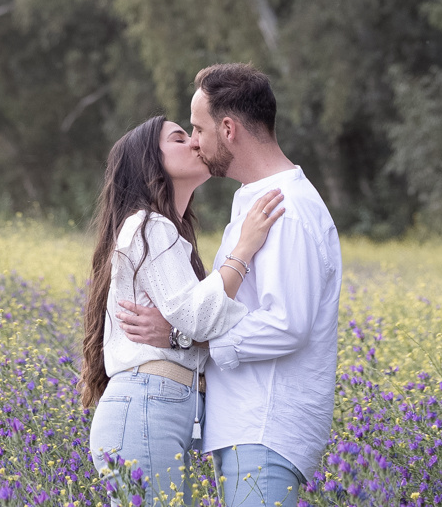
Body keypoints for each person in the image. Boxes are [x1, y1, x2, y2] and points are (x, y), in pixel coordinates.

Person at [117, 63, 343, 507]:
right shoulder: (256, 202)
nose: (195, 141)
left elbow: (287, 324)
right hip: (246, 427)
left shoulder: (286, 209)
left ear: (228, 128)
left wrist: (190, 339)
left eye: (198, 128)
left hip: (266, 427)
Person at [81, 113, 287, 504]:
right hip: (145, 408)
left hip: (152, 409)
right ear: (150, 163)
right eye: (179, 138)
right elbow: (200, 318)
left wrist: (181, 333)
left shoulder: (165, 232)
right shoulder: (149, 226)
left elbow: (192, 326)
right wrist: (245, 249)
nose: (195, 142)